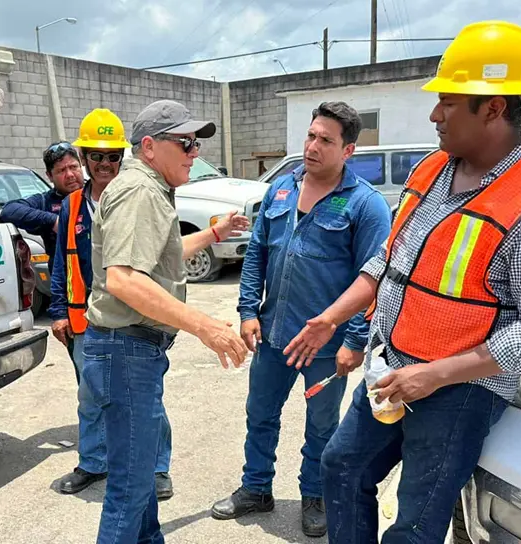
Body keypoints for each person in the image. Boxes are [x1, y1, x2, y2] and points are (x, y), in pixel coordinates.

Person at [282, 21, 521, 543]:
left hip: (460, 391)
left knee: (416, 523)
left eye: (447, 102)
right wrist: (332, 317)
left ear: (493, 108)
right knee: (342, 467)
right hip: (395, 367)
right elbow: (389, 259)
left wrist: (435, 375)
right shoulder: (432, 169)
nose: (434, 114)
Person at [211, 102, 392, 536]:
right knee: (260, 414)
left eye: (326, 140)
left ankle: (316, 495)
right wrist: (248, 311)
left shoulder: (365, 205)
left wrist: (355, 341)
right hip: (273, 335)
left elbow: (374, 278)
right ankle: (256, 488)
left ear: (348, 150)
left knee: (322, 426)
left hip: (326, 347)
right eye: (311, 135)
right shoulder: (281, 189)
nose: (313, 146)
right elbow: (257, 253)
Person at [82, 99, 251, 544]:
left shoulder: (150, 188)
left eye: (196, 143)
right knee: (130, 487)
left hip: (132, 350)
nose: (195, 152)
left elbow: (163, 256)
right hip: (126, 350)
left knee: (139, 483)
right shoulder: (138, 191)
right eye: (186, 143)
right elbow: (124, 279)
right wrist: (205, 327)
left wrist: (214, 234)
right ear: (150, 147)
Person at [48, 109, 176, 499]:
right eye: (96, 156)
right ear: (84, 158)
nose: (105, 164)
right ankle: (93, 462)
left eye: (112, 156)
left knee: (146, 398)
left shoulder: (139, 195)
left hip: (134, 319)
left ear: (122, 157)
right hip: (87, 320)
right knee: (91, 396)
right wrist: (58, 311)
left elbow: (164, 259)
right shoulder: (73, 205)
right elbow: (62, 260)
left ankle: (157, 468)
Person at [0, 140, 85, 265]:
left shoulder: (96, 193)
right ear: (49, 176)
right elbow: (9, 211)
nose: (70, 175)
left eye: (73, 167)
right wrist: (53, 221)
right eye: (61, 170)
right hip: (63, 274)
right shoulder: (45, 201)